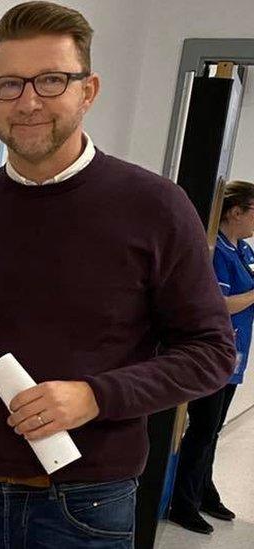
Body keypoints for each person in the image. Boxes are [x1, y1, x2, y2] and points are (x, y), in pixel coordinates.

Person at [0, 2, 236, 547]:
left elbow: (211, 352)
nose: (29, 100)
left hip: (90, 503)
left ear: (88, 91)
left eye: (52, 80)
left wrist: (96, 395)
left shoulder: (156, 207)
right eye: (10, 84)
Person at [169, 180, 254, 534]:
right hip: (213, 355)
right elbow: (219, 304)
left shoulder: (244, 250)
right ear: (236, 212)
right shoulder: (215, 251)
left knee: (213, 430)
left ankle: (204, 491)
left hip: (236, 354)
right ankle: (182, 503)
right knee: (202, 430)